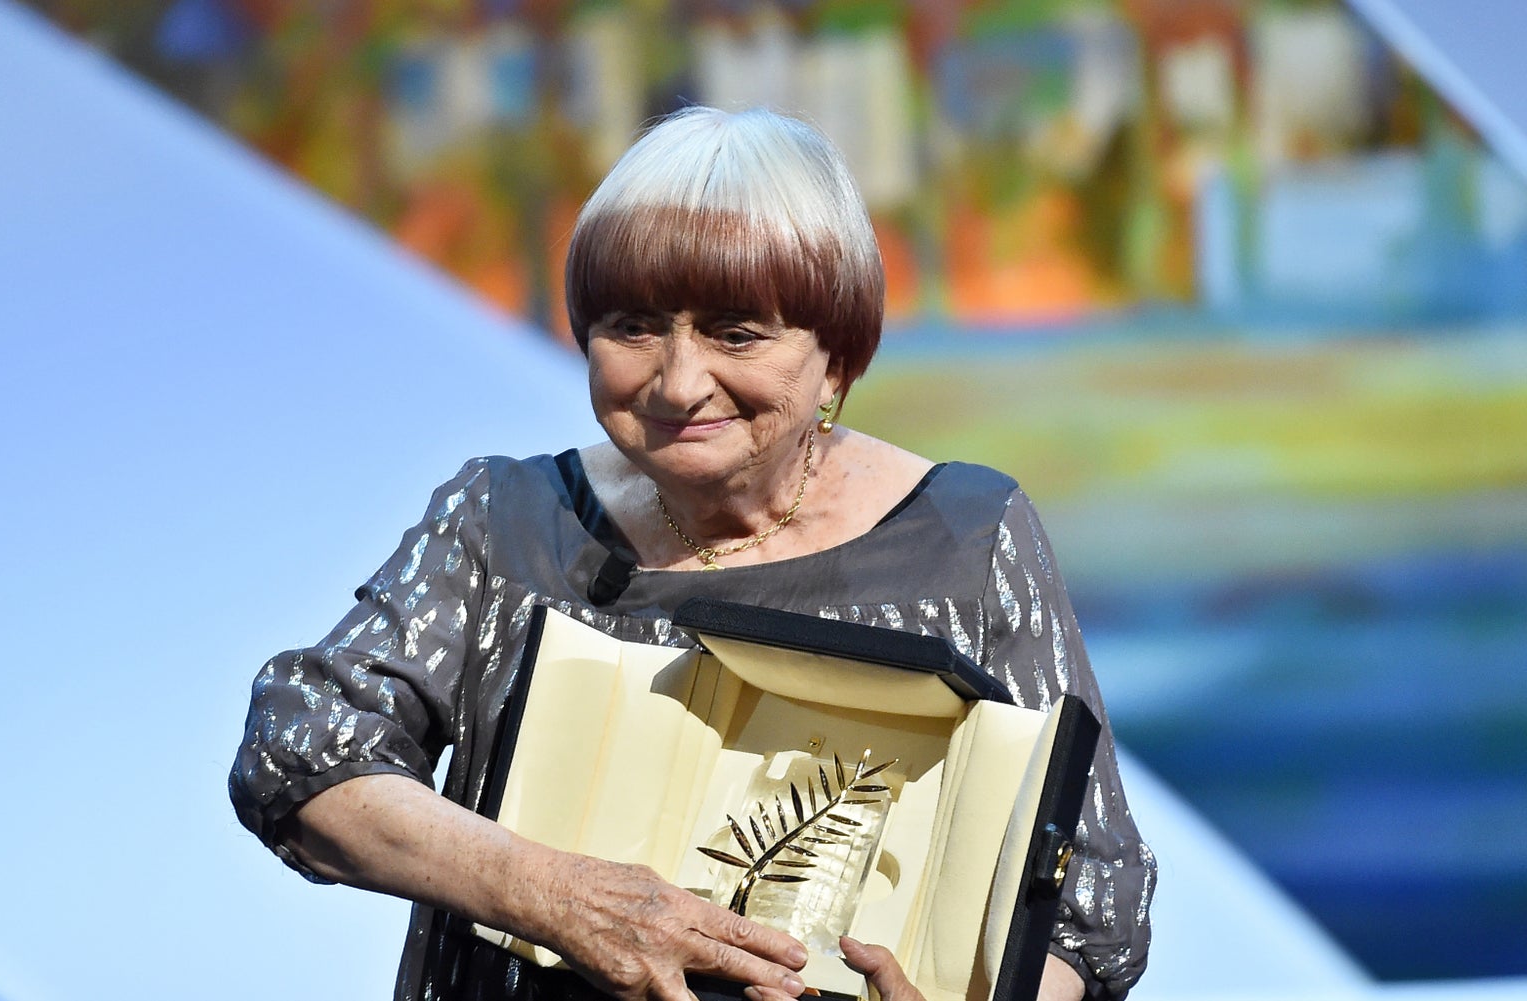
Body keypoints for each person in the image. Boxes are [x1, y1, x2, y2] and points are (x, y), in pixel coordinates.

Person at [228, 106, 1155, 1001]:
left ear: (835, 357)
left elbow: (1090, 898)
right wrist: (556, 897)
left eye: (735, 331)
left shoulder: (966, 535)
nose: (677, 379)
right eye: (632, 325)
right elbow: (300, 753)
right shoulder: (503, 518)